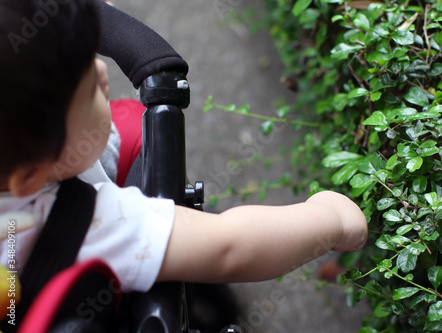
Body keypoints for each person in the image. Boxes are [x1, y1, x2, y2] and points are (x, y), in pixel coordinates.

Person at [0, 0, 367, 294]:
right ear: (30, 176)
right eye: (88, 90)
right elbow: (228, 248)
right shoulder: (80, 227)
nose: (100, 70)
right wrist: (331, 220)